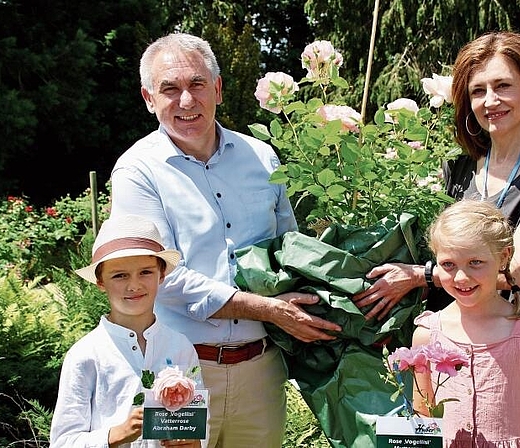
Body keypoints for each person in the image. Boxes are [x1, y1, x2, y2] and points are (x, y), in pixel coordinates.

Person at [108, 32, 342, 448]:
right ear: (148, 98)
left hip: (261, 370)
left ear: (216, 88)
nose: (186, 101)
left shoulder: (262, 157)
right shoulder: (136, 172)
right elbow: (155, 275)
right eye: (170, 89)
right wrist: (268, 309)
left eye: (197, 84)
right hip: (176, 372)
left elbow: (287, 248)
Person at [353, 31, 520, 404]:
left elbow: (513, 273)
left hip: (518, 358)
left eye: (503, 86)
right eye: (478, 91)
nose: (490, 101)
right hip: (449, 359)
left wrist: (416, 277)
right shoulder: (459, 169)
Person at [412, 199, 520, 447]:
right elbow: (423, 421)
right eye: (448, 264)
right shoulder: (426, 336)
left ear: (503, 257)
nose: (461, 277)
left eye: (475, 263)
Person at [50, 214, 203, 448]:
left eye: (146, 272)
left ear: (161, 275)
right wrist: (115, 434)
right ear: (100, 282)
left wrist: (195, 442)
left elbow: (201, 424)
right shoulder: (86, 355)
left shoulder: (181, 347)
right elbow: (62, 442)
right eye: (119, 275)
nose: (134, 285)